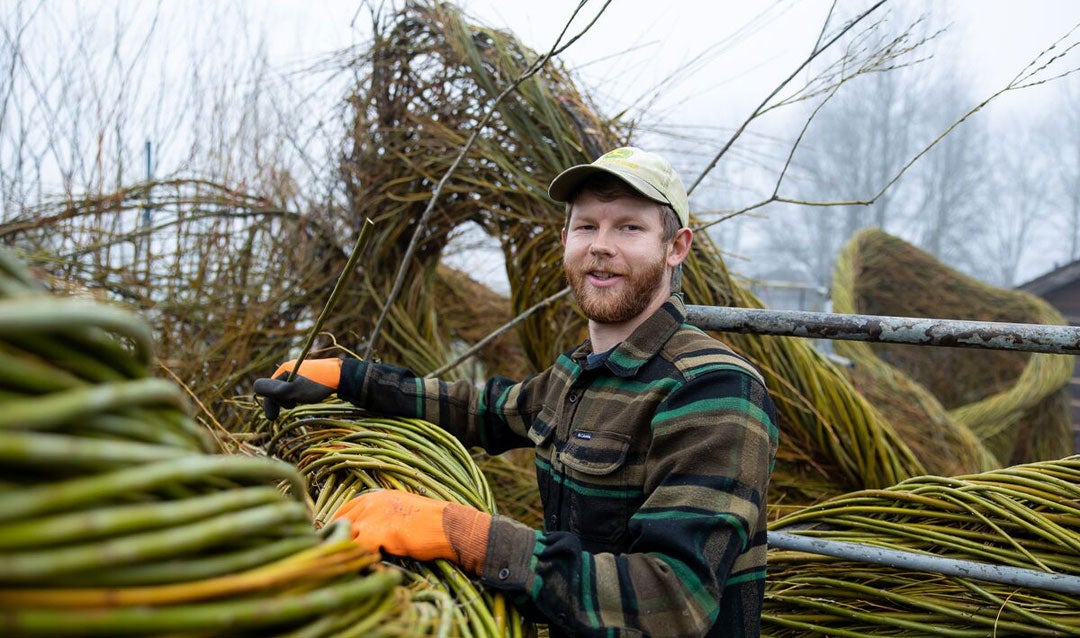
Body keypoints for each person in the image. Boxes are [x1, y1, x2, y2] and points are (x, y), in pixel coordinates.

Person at [254, 146, 780, 637]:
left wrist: (467, 535)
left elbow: (674, 599)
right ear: (566, 241)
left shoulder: (714, 391)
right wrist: (349, 379)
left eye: (629, 227)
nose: (601, 245)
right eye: (586, 226)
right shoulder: (580, 373)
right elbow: (482, 409)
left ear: (675, 247)